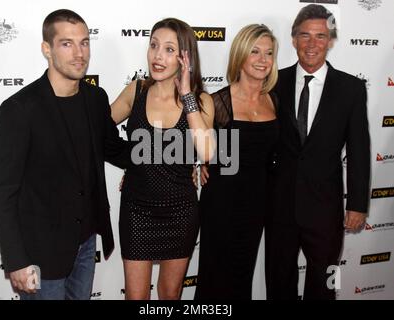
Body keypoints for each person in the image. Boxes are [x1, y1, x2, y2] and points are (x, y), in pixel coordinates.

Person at [0, 9, 129, 300]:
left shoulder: (95, 98)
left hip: (86, 243)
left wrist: (173, 152)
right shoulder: (19, 109)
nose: (80, 53)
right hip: (40, 253)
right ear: (47, 49)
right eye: (67, 43)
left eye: (85, 42)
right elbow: (2, 191)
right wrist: (15, 260)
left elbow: (115, 149)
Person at [265, 4, 370, 300]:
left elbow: (360, 150)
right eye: (305, 35)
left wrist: (358, 205)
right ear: (294, 38)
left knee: (325, 286)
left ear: (331, 40)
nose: (312, 44)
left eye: (321, 36)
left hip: (326, 210)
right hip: (279, 206)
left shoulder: (351, 88)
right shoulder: (274, 82)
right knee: (278, 284)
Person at [110, 18, 215, 300]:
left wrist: (186, 94)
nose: (158, 56)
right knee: (136, 297)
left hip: (180, 212)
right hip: (136, 211)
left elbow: (207, 152)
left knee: (170, 294)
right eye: (154, 46)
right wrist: (132, 160)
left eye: (169, 49)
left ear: (185, 57)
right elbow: (100, 130)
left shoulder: (201, 101)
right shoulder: (136, 91)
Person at [194, 24, 279, 300]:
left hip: (257, 206)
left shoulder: (276, 101)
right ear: (240, 55)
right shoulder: (216, 101)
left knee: (242, 277)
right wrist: (198, 164)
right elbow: (194, 144)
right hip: (220, 204)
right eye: (254, 51)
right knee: (213, 278)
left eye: (268, 53)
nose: (262, 59)